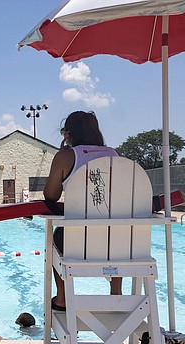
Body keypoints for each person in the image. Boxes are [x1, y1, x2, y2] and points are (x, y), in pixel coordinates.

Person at [44, 111, 120, 312]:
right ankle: (116, 293)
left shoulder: (66, 157)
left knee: (52, 242)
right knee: (117, 230)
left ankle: (62, 298)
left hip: (75, 241)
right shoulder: (114, 155)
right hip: (114, 242)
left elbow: (50, 195)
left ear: (68, 134)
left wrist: (61, 155)